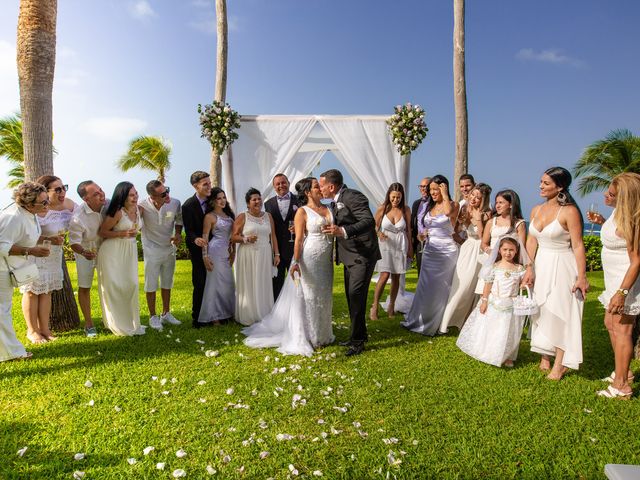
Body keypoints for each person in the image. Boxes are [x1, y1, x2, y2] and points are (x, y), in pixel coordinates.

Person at [243, 177, 334, 356]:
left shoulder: (329, 208)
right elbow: (299, 240)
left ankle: (324, 333)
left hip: (326, 260)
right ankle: (309, 335)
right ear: (308, 192)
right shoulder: (302, 211)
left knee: (324, 294)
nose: (321, 189)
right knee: (309, 296)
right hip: (309, 257)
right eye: (317, 187)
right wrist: (296, 262)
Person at [524, 166, 588, 380]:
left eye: (546, 183)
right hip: (541, 263)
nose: (541, 186)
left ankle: (559, 364)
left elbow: (578, 245)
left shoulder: (569, 211)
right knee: (541, 308)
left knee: (560, 311)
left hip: (563, 264)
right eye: (541, 182)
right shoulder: (535, 210)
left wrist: (582, 276)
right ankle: (545, 355)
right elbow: (531, 241)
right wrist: (529, 267)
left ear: (559, 187)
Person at [587, 174, 640, 398]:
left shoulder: (632, 219)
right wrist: (601, 222)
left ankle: (621, 386)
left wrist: (622, 293)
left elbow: (637, 260)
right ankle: (623, 372)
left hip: (625, 282)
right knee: (610, 322)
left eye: (611, 194)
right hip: (612, 279)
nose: (606, 195)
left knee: (623, 330)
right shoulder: (617, 214)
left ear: (625, 197)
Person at [319, 169, 380, 356]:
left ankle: (358, 341)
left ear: (331, 186)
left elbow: (368, 221)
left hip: (362, 254)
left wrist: (343, 231)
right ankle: (356, 336)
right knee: (352, 297)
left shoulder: (353, 196)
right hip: (349, 256)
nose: (320, 189)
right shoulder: (334, 201)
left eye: (321, 186)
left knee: (356, 296)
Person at [20, 175, 76, 343]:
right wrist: (48, 239)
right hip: (34, 254)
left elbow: (85, 218)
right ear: (45, 191)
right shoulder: (35, 209)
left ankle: (45, 329)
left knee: (46, 291)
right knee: (31, 292)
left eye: (64, 187)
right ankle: (32, 331)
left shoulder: (69, 205)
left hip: (53, 256)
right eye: (57, 189)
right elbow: (25, 235)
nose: (62, 192)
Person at [456, 235, 527, 367]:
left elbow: (523, 283)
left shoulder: (519, 269)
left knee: (508, 329)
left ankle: (508, 355)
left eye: (511, 250)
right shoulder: (495, 267)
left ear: (516, 251)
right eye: (505, 249)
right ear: (499, 250)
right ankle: (490, 350)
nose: (508, 253)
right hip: (494, 302)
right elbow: (488, 285)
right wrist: (484, 301)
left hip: (510, 304)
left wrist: (523, 285)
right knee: (493, 328)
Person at [402, 174, 460, 336]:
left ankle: (437, 322)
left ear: (444, 188)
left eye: (436, 189)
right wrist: (422, 236)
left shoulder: (453, 205)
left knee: (440, 287)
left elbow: (448, 213)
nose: (432, 192)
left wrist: (446, 194)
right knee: (425, 286)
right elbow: (425, 226)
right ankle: (418, 319)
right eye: (431, 189)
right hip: (429, 250)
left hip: (446, 252)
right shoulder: (429, 206)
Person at [0, 183, 51, 361]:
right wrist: (30, 251)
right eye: (43, 203)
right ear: (29, 204)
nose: (47, 205)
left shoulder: (31, 214)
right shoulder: (13, 217)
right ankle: (13, 353)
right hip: (1, 267)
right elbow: (1, 246)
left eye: (47, 200)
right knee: (2, 311)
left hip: (9, 266)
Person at [440, 183, 492, 333]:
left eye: (478, 197)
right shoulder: (465, 209)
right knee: (461, 284)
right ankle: (447, 321)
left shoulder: (487, 213)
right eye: (473, 195)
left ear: (483, 199)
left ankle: (467, 322)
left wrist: (478, 220)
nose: (474, 198)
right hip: (467, 248)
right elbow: (454, 230)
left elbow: (484, 238)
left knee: (473, 287)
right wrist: (463, 241)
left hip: (480, 250)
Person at [97, 182, 145, 336]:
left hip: (129, 252)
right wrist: (121, 234)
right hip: (112, 252)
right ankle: (116, 324)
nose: (135, 197)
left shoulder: (139, 210)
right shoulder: (118, 212)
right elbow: (102, 232)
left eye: (136, 193)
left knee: (131, 285)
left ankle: (131, 322)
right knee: (114, 287)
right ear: (122, 196)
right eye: (131, 195)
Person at [231, 188, 280, 326]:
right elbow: (233, 237)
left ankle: (264, 313)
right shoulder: (242, 217)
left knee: (263, 282)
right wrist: (246, 239)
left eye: (259, 198)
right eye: (254, 199)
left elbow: (273, 236)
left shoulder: (268, 216)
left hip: (265, 253)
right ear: (248, 203)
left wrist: (276, 254)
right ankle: (248, 314)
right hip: (248, 254)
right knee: (250, 282)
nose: (258, 201)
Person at [139, 180, 183, 330]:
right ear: (153, 197)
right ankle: (153, 316)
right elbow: (135, 222)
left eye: (167, 190)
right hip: (151, 249)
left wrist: (177, 234)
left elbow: (179, 219)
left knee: (167, 281)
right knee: (150, 283)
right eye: (163, 194)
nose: (168, 195)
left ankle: (166, 313)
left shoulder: (175, 203)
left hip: (168, 248)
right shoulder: (142, 206)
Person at [68, 180, 107, 337]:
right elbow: (73, 243)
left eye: (101, 190)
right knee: (85, 287)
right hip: (85, 252)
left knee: (109, 285)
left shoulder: (108, 205)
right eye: (96, 194)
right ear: (86, 199)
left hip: (106, 250)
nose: (101, 194)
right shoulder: (78, 217)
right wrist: (84, 252)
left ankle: (110, 320)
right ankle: (89, 324)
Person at [370, 183, 412, 320]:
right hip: (385, 244)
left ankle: (391, 305)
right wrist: (379, 233)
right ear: (389, 195)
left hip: (400, 244)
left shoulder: (406, 210)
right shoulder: (383, 208)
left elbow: (409, 230)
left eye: (398, 197)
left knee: (396, 276)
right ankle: (375, 305)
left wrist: (410, 248)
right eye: (393, 197)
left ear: (402, 197)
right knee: (384, 275)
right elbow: (373, 227)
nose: (395, 200)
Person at [195, 187, 236, 325]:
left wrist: (233, 252)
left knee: (228, 284)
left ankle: (227, 313)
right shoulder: (210, 217)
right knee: (215, 284)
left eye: (224, 197)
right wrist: (205, 257)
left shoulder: (229, 216)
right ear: (212, 201)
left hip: (226, 252)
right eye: (219, 198)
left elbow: (233, 237)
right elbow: (205, 238)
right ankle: (214, 317)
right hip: (215, 252)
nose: (222, 200)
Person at [475, 189, 526, 295]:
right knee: (485, 293)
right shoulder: (491, 222)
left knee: (504, 292)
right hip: (492, 261)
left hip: (508, 263)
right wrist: (490, 251)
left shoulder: (519, 224)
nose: (497, 206)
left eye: (501, 202)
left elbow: (522, 247)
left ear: (511, 204)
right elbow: (483, 243)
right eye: (496, 202)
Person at [182, 171, 212, 328]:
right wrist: (195, 239)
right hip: (198, 250)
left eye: (209, 183)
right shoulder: (188, 206)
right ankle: (198, 318)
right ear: (196, 186)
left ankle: (217, 314)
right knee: (200, 282)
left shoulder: (214, 199)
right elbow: (189, 230)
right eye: (205, 184)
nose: (209, 186)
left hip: (216, 247)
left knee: (216, 281)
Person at [264, 173, 298, 301]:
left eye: (283, 182)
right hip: (276, 250)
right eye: (277, 184)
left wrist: (298, 227)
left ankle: (295, 305)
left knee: (296, 279)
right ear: (273, 187)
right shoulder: (268, 204)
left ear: (289, 183)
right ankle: (277, 308)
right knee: (276, 281)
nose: (281, 186)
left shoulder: (299, 200)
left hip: (295, 247)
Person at [410, 177, 430, 276]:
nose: (423, 189)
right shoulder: (416, 203)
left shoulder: (435, 203)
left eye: (426, 186)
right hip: (419, 242)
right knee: (420, 271)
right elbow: (412, 223)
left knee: (430, 272)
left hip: (431, 241)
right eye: (421, 186)